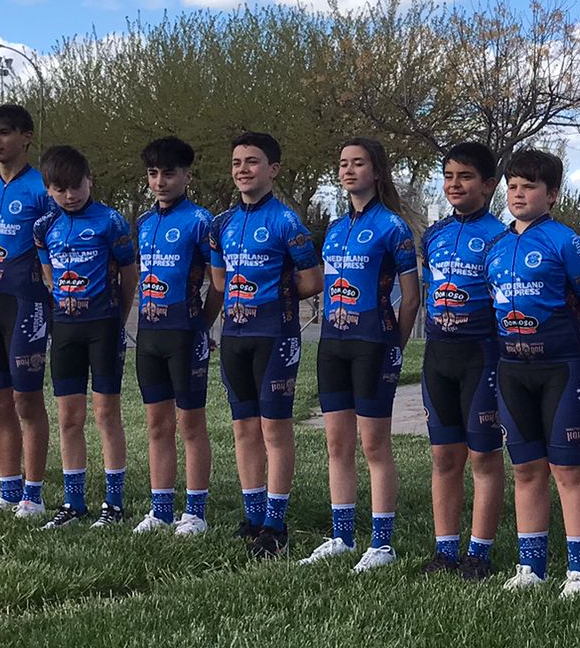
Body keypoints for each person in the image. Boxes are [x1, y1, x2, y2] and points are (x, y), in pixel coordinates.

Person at [484, 148, 580, 598]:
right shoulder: (496, 247)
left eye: (529, 186)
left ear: (551, 195)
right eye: (513, 186)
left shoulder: (567, 242)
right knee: (526, 468)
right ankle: (530, 566)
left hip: (563, 367)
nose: (518, 194)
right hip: (513, 370)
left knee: (569, 469)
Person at [302, 138, 419, 573]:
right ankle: (342, 536)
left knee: (374, 445)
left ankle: (382, 545)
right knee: (337, 443)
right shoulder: (334, 228)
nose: (349, 170)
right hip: (333, 344)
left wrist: (395, 347)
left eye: (358, 163)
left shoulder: (393, 227)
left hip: (374, 344)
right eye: (343, 163)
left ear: (377, 171)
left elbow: (411, 300)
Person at [206, 132, 320, 559]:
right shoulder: (221, 223)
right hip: (235, 336)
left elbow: (311, 281)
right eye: (236, 162)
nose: (242, 170)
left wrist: (275, 289)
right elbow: (218, 280)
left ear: (272, 169)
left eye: (252, 162)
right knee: (243, 428)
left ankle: (275, 522)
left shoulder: (286, 221)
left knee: (274, 428)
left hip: (275, 335)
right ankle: (252, 515)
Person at [33, 145, 138, 529]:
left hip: (104, 326)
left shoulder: (110, 221)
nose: (70, 195)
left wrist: (117, 317)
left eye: (77, 186)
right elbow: (48, 274)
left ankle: (114, 503)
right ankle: (73, 503)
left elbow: (130, 274)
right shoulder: (44, 227)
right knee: (68, 417)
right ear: (48, 190)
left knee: (105, 414)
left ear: (89, 181)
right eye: (60, 189)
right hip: (65, 329)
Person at [418, 142, 509, 580]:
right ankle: (445, 549)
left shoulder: (502, 238)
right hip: (439, 354)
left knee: (484, 458)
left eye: (466, 177)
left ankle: (480, 553)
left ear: (488, 185)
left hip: (482, 355)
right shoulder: (432, 235)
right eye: (449, 176)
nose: (455, 184)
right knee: (444, 457)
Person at [133, 136, 218, 536]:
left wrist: (203, 323)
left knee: (191, 425)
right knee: (156, 425)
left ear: (187, 175)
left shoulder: (202, 221)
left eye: (169, 173)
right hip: (148, 336)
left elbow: (219, 283)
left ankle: (195, 512)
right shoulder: (144, 223)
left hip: (186, 333)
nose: (160, 181)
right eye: (153, 173)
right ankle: (161, 508)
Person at [0, 103, 54, 520]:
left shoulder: (43, 189)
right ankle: (8, 490)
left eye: (3, 133)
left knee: (26, 399)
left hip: (28, 300)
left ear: (25, 137)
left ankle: (33, 494)